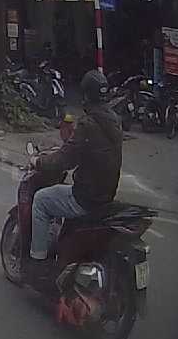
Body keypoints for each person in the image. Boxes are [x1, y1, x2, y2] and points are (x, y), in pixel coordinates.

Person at [25, 69, 122, 289]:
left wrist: (38, 162)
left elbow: (64, 160)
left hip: (85, 198)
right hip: (106, 196)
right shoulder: (114, 121)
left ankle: (37, 263)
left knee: (41, 200)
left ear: (86, 95)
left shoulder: (88, 124)